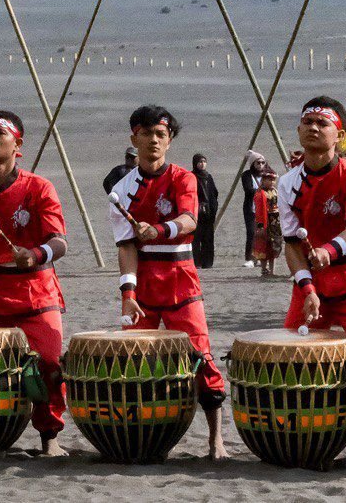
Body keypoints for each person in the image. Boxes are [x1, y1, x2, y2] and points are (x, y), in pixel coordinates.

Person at [109, 105, 228, 460]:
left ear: (170, 141)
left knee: (202, 359)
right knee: (135, 364)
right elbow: (127, 247)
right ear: (134, 139)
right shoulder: (121, 190)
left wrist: (159, 229)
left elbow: (190, 219)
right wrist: (127, 294)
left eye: (161, 135)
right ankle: (141, 439)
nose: (153, 141)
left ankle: (216, 440)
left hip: (181, 280)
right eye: (146, 134)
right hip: (143, 288)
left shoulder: (183, 179)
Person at [279, 97, 346, 458]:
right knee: (288, 360)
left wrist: (329, 250)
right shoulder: (287, 183)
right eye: (307, 121)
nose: (313, 127)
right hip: (311, 286)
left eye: (322, 123)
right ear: (297, 131)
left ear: (338, 135)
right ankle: (302, 440)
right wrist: (306, 286)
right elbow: (292, 244)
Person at [0, 111, 68, 456]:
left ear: (17, 145)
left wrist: (35, 254)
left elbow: (59, 242)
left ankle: (50, 439)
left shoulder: (39, 188)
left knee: (50, 365)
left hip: (37, 288)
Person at [191, 153, 219, 269]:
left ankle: (207, 262)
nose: (202, 164)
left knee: (208, 238)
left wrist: (213, 207)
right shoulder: (191, 176)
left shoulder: (208, 177)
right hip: (197, 212)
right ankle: (196, 262)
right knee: (196, 238)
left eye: (204, 162)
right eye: (200, 162)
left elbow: (214, 193)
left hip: (209, 213)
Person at [252, 166, 279, 276]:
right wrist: (260, 226)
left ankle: (272, 270)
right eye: (269, 179)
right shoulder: (260, 194)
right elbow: (259, 211)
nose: (271, 182)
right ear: (263, 180)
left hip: (275, 222)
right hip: (264, 221)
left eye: (273, 180)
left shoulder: (275, 191)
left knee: (274, 245)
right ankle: (264, 268)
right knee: (264, 245)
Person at [240, 149, 264, 267]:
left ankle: (259, 257)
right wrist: (262, 191)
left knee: (262, 234)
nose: (260, 165)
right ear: (253, 164)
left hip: (263, 209)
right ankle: (249, 258)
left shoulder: (266, 175)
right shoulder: (246, 175)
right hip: (251, 209)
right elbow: (248, 190)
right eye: (257, 163)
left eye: (262, 163)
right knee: (251, 232)